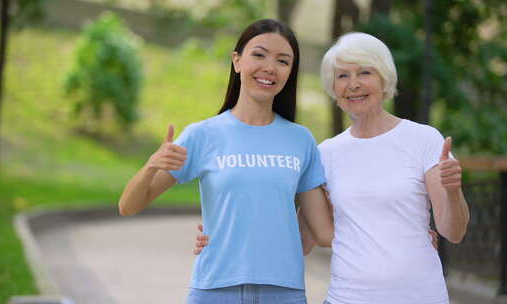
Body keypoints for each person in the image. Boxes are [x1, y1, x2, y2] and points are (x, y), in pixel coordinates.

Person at [196, 32, 470, 304]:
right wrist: (222, 240)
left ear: (384, 79)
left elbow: (453, 232)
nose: (353, 85)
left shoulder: (423, 139)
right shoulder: (325, 153)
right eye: (342, 76)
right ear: (333, 88)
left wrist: (453, 192)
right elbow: (301, 239)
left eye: (364, 73)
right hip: (346, 298)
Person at [118, 19, 333, 304]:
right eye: (259, 54)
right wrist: (151, 165)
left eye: (282, 61)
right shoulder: (202, 135)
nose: (269, 67)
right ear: (237, 61)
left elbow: (323, 233)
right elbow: (128, 206)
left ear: (290, 72)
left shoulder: (301, 140)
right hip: (215, 290)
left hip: (284, 292)